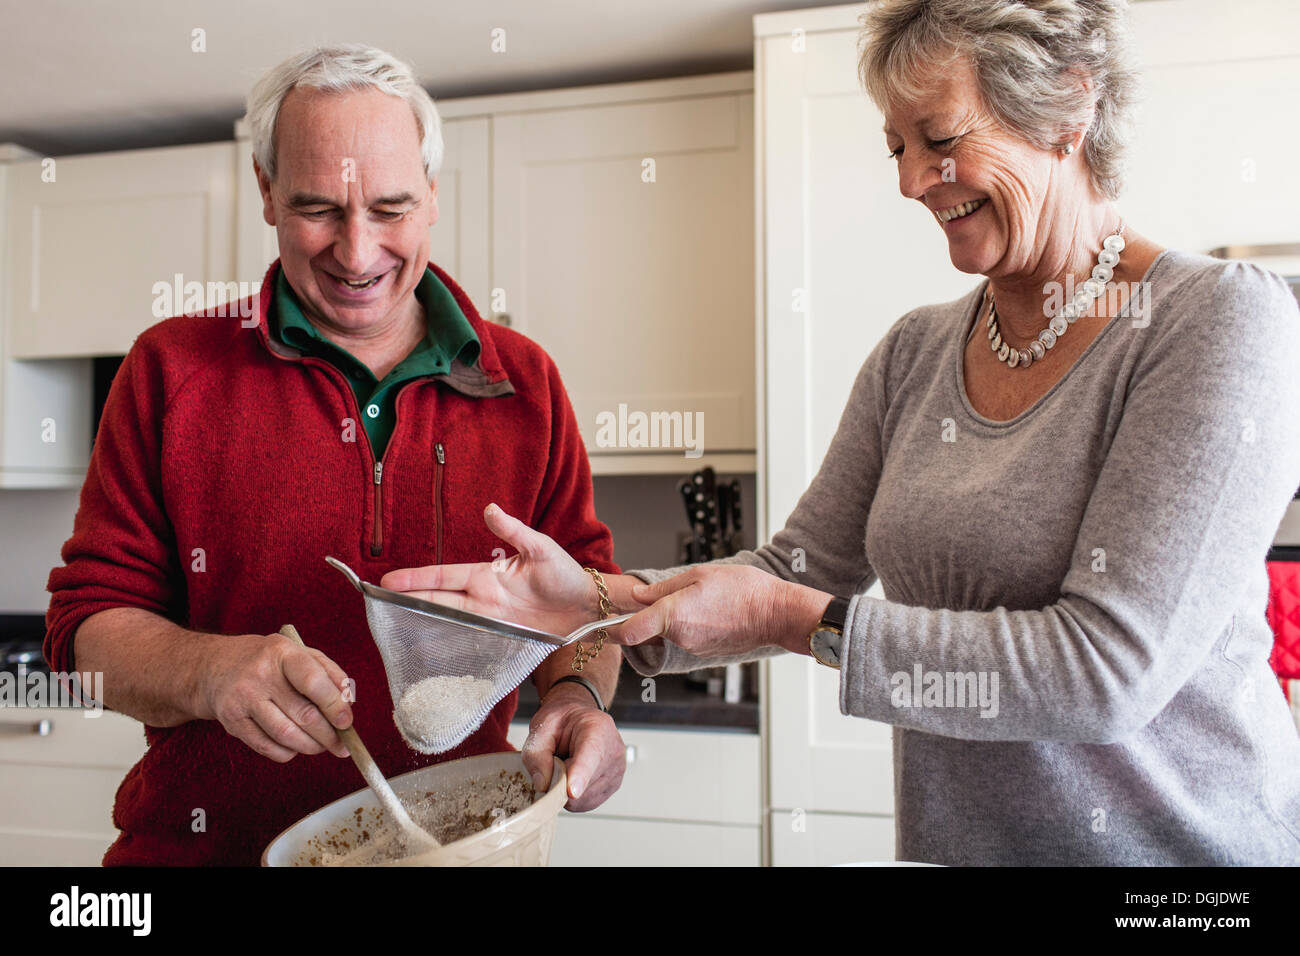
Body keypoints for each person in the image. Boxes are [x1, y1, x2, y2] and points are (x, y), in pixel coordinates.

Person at [381, 0, 1300, 865]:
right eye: (895, 147)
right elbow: (797, 572)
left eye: (939, 140)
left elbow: (1104, 673)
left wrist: (796, 624)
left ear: (1067, 104)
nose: (908, 181)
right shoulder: (917, 353)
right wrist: (594, 599)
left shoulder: (1215, 323)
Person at [44, 45, 626, 866]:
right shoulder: (172, 370)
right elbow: (83, 637)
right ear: (266, 191)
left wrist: (575, 694)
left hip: (453, 851)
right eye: (319, 208)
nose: (357, 255)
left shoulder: (523, 383)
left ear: (432, 196)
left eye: (390, 208)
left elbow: (590, 605)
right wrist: (210, 671)